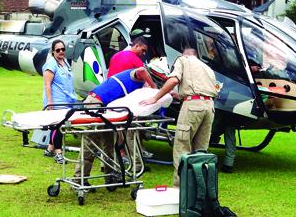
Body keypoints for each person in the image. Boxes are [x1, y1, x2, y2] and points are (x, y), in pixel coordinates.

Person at [140, 48, 218, 187]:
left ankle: (180, 189)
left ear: (184, 55)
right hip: (209, 106)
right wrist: (181, 93)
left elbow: (174, 80)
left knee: (181, 146)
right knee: (201, 150)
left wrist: (155, 97)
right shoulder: (207, 68)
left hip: (192, 106)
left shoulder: (183, 60)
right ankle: (199, 187)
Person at [73, 67, 157, 184]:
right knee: (91, 143)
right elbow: (142, 70)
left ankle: (110, 175)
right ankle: (79, 179)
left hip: (106, 108)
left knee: (109, 143)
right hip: (96, 103)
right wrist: (152, 85)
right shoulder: (136, 76)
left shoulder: (138, 88)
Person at [43, 39, 77, 164]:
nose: (61, 52)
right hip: (57, 101)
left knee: (59, 126)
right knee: (58, 127)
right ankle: (58, 153)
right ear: (53, 52)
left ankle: (49, 148)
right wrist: (50, 102)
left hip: (68, 100)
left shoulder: (65, 62)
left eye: (63, 49)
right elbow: (47, 84)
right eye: (58, 50)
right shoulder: (51, 64)